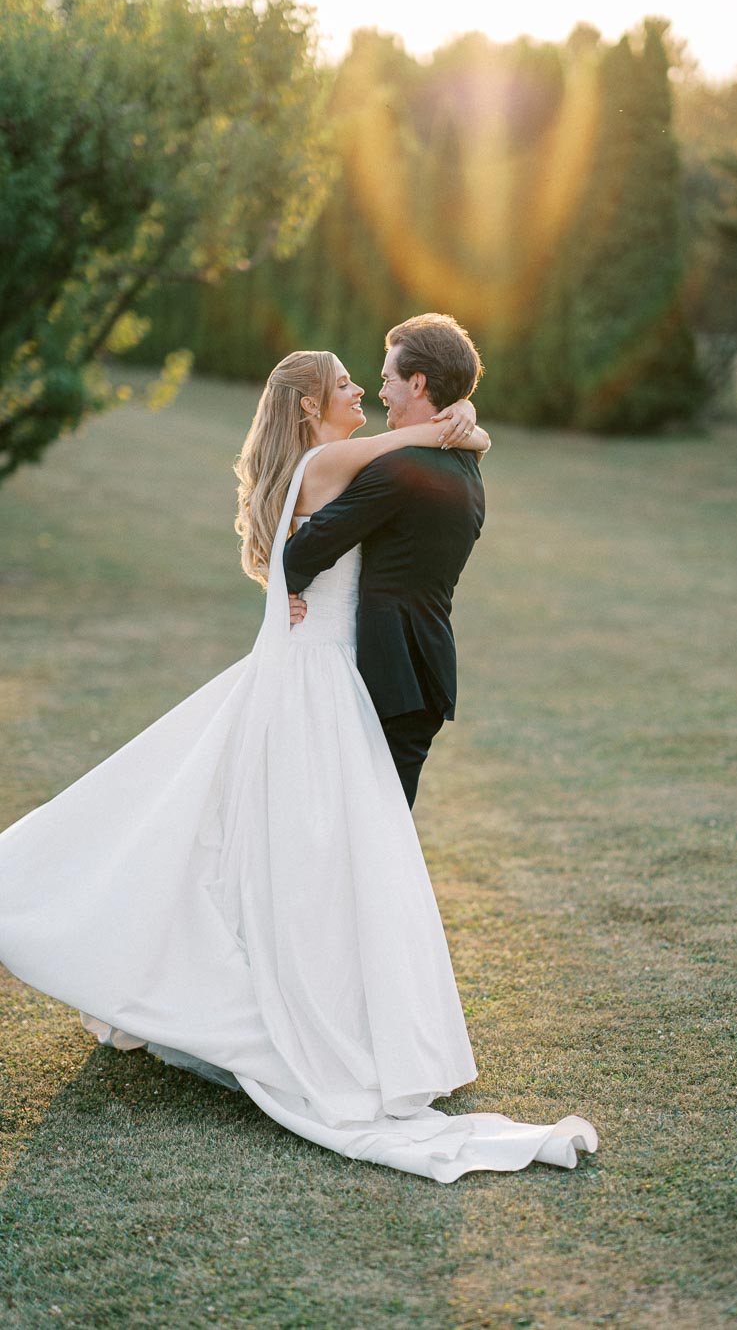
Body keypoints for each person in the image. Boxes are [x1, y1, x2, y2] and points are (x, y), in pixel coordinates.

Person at [0, 328, 597, 1182]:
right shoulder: (332, 467)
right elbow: (306, 547)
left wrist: (450, 425)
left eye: (376, 380)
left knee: (277, 843)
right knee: (305, 848)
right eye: (349, 385)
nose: (366, 392)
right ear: (311, 407)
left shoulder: (347, 465)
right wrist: (447, 425)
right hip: (319, 682)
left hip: (332, 677)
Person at [284, 313, 488, 807]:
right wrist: (469, 419)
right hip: (423, 669)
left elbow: (303, 552)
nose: (379, 392)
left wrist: (285, 588)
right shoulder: (465, 462)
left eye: (386, 379)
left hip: (392, 676)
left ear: (418, 382)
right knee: (382, 826)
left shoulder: (401, 470)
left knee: (371, 826)